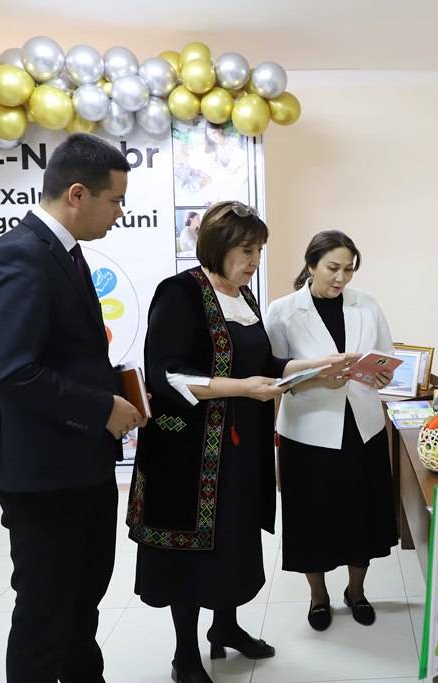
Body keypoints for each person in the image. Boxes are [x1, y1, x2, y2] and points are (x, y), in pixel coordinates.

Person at [126, 201, 348, 683]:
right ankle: (186, 655)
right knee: (190, 552)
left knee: (232, 538)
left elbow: (264, 366)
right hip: (188, 452)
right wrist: (243, 389)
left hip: (238, 447)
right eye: (247, 250)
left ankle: (224, 627)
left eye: (259, 251)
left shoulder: (244, 297)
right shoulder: (180, 292)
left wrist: (315, 369)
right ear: (218, 245)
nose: (254, 261)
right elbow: (167, 374)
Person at [0, 133, 145, 682]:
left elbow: (65, 355)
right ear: (77, 193)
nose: (120, 213)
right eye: (115, 200)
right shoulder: (19, 255)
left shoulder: (64, 252)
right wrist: (100, 408)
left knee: (82, 598)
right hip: (43, 472)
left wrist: (119, 389)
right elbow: (10, 372)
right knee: (45, 609)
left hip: (78, 463)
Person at [265, 230, 399, 631]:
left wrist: (381, 374)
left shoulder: (366, 305)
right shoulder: (283, 311)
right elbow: (272, 375)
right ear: (311, 265)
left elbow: (387, 358)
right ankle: (318, 596)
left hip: (362, 427)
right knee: (312, 517)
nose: (341, 278)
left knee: (363, 514)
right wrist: (318, 376)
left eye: (349, 270)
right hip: (307, 432)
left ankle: (356, 591)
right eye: (333, 268)